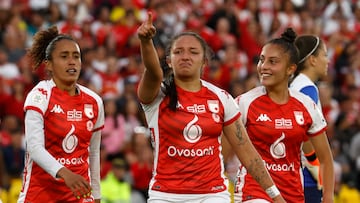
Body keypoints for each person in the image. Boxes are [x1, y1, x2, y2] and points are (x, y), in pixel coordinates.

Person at [136, 12, 286, 203]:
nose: (185, 56)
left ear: (204, 61)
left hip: (212, 194)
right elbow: (153, 72)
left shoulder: (222, 98)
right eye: (178, 51)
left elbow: (248, 153)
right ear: (168, 61)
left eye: (193, 52)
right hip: (165, 195)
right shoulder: (158, 95)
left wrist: (276, 196)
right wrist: (146, 42)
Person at [233, 28, 335, 203]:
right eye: (262, 60)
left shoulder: (305, 104)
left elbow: (325, 158)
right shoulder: (244, 103)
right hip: (254, 192)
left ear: (291, 69)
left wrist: (328, 197)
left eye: (273, 62)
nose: (264, 66)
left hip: (293, 193)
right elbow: (222, 151)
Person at [17, 26, 104, 203]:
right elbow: (34, 148)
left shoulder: (94, 102)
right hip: (40, 193)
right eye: (64, 57)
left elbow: (93, 153)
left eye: (76, 56)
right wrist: (66, 174)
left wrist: (97, 195)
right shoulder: (40, 95)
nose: (72, 62)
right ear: (48, 64)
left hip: (79, 195)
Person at [289, 34, 330, 203]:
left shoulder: (295, 85)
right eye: (325, 55)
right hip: (305, 176)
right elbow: (302, 128)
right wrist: (314, 164)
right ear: (312, 60)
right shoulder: (307, 88)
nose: (327, 61)